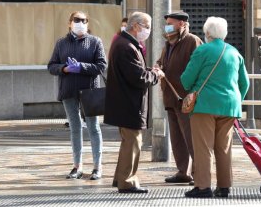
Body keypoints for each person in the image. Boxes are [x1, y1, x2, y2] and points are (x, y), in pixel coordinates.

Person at [180, 16, 250, 198]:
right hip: (230, 107)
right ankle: (224, 186)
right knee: (224, 147)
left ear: (208, 33)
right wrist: (235, 101)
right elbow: (245, 83)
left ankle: (203, 187)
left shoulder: (203, 50)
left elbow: (186, 80)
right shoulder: (235, 52)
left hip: (205, 105)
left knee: (203, 147)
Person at [104, 11, 164, 194]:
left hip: (125, 102)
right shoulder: (126, 46)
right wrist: (155, 75)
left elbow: (134, 70)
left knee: (128, 142)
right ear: (136, 26)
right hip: (129, 103)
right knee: (133, 142)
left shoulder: (124, 43)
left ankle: (120, 178)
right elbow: (138, 77)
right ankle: (127, 181)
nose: (148, 31)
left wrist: (148, 70)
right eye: (147, 27)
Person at [48, 11, 107, 181]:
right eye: (77, 20)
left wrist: (81, 67)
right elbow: (51, 66)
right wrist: (64, 69)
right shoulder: (61, 43)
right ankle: (77, 166)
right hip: (68, 90)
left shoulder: (95, 42)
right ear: (70, 23)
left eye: (84, 20)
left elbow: (101, 66)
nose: (80, 23)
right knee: (75, 128)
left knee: (94, 128)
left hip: (90, 91)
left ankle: (97, 166)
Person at [155, 11, 202, 184]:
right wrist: (158, 66)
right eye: (166, 23)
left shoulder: (192, 41)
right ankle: (183, 171)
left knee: (191, 137)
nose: (167, 26)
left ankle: (199, 173)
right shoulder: (168, 43)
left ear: (182, 24)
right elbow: (161, 61)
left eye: (171, 23)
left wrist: (193, 93)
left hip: (186, 99)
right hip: (170, 97)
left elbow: (199, 67)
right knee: (177, 138)